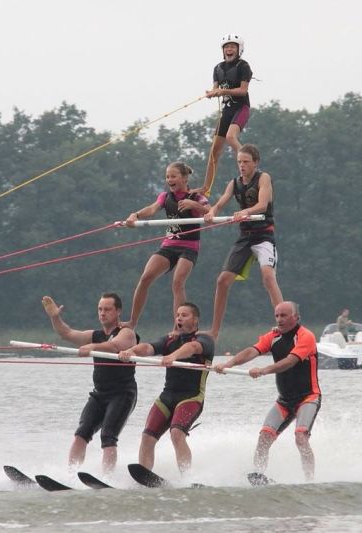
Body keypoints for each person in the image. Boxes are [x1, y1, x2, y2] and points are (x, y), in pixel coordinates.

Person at [214, 301, 321, 482]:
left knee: (300, 437)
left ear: (296, 317)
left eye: (284, 315)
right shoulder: (273, 336)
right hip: (285, 400)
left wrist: (263, 370)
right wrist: (227, 364)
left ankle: (310, 482)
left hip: (308, 397)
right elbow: (251, 351)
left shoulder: (306, 336)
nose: (279, 319)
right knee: (264, 437)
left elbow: (290, 361)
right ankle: (258, 476)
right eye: (277, 315)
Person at [42, 293, 138, 473]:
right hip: (99, 394)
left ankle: (106, 478)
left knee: (108, 437)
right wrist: (55, 318)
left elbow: (115, 346)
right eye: (100, 309)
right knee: (81, 434)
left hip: (123, 394)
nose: (102, 313)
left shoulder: (127, 333)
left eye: (107, 309)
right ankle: (70, 475)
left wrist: (93, 347)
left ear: (118, 311)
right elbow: (67, 334)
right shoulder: (96, 335)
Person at [118, 302, 215, 474]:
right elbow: (149, 347)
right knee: (147, 437)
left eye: (184, 315)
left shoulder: (205, 340)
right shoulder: (170, 340)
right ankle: (144, 475)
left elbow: (191, 348)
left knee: (177, 433)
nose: (179, 318)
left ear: (195, 320)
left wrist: (174, 356)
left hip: (191, 398)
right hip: (167, 396)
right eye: (178, 315)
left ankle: (187, 477)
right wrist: (132, 351)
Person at [203, 143, 283, 339]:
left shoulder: (264, 178)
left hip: (264, 235)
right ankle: (214, 331)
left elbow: (263, 205)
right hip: (245, 238)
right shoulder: (234, 183)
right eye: (239, 162)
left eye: (246, 162)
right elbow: (220, 204)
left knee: (268, 277)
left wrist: (245, 212)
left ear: (256, 163)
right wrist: (211, 213)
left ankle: (284, 324)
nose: (242, 165)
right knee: (222, 281)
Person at [123, 162, 210, 329]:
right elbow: (152, 209)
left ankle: (178, 328)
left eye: (173, 176)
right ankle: (132, 322)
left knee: (177, 282)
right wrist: (136, 215)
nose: (169, 179)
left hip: (189, 247)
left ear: (184, 178)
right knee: (146, 277)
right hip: (169, 245)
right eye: (167, 176)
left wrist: (195, 206)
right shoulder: (165, 197)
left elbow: (211, 212)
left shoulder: (197, 197)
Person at [196, 34, 253, 196]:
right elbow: (215, 89)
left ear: (239, 49)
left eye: (232, 47)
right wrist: (212, 93)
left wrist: (223, 91)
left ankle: (250, 169)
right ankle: (205, 189)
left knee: (230, 137)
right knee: (214, 150)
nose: (229, 49)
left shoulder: (244, 66)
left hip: (241, 107)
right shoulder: (218, 68)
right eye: (226, 47)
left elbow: (243, 91)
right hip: (227, 110)